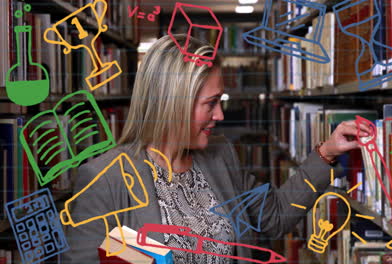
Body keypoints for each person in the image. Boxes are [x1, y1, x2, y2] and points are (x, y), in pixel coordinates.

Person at [63, 34, 370, 264]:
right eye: (211, 104)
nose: (220, 116)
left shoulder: (220, 155)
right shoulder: (105, 178)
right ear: (173, 104)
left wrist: (326, 152)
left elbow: (273, 216)